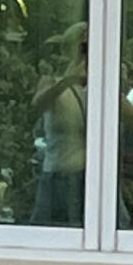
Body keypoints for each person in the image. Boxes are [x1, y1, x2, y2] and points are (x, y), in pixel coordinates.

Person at [29, 29, 89, 229]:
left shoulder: (101, 89)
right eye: (83, 49)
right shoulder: (52, 83)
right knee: (47, 234)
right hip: (58, 176)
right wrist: (68, 80)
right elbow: (36, 107)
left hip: (88, 178)